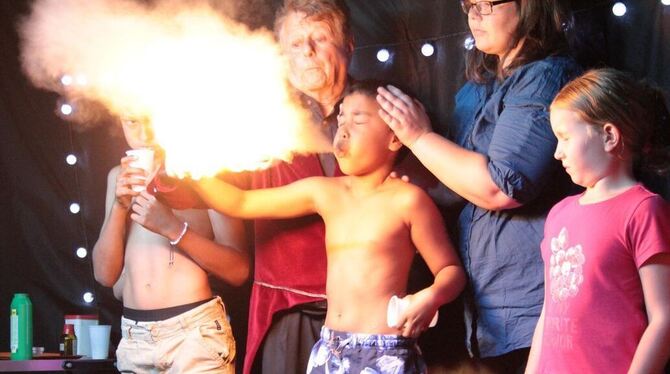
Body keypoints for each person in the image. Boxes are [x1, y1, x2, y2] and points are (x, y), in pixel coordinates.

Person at [194, 81, 466, 373]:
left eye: (359, 119)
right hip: (329, 348)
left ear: (394, 138)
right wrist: (189, 167)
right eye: (341, 119)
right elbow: (240, 203)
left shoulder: (408, 200)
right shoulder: (325, 192)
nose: (344, 129)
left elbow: (451, 271)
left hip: (384, 349)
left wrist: (431, 297)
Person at [376, 0, 582, 371]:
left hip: (536, 307)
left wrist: (419, 137)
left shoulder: (544, 76)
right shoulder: (476, 87)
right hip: (485, 311)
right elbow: (461, 187)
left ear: (531, 7)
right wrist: (413, 182)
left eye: (488, 3)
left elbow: (501, 188)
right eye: (470, 4)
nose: (475, 14)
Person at [525, 68, 670, 373]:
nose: (556, 152)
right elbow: (548, 311)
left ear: (609, 136)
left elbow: (664, 318)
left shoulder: (643, 210)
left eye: (564, 137)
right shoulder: (559, 214)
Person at [238, 1, 353, 373]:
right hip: (289, 312)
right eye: (295, 42)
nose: (307, 51)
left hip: (369, 312)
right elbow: (215, 191)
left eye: (320, 38)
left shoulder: (382, 109)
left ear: (348, 45)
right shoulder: (255, 114)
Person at [92, 117, 249, 373]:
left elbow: (239, 270)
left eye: (151, 120)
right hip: (135, 335)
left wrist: (173, 228)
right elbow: (104, 275)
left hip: (194, 333)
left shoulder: (205, 172)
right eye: (132, 122)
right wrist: (119, 206)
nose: (144, 134)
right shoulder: (117, 177)